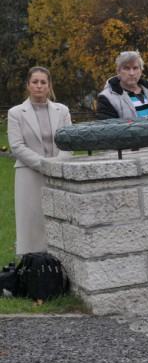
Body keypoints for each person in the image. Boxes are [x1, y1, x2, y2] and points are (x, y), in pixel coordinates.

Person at [7, 67, 72, 256]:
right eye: (35, 82)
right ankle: (33, 267)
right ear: (28, 85)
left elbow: (69, 141)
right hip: (29, 174)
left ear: (49, 85)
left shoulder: (63, 111)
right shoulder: (16, 113)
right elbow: (17, 146)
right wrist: (44, 165)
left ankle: (60, 262)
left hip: (59, 173)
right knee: (31, 222)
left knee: (60, 217)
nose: (39, 86)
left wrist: (58, 163)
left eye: (43, 82)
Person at [96, 50, 148, 119]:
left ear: (141, 70)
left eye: (135, 68)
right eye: (126, 68)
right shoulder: (106, 97)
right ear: (118, 71)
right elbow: (108, 130)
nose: (131, 73)